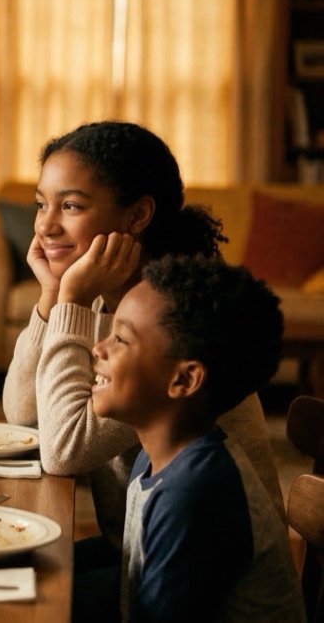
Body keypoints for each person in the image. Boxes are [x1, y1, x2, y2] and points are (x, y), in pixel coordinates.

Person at [0, 121, 282, 619]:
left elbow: (62, 451)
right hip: (136, 543)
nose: (44, 225)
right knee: (0, 569)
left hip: (186, 550)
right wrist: (52, 299)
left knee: (17, 603)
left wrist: (74, 298)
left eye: (70, 205)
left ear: (137, 216)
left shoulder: (161, 329)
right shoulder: (108, 301)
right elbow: (25, 418)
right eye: (42, 203)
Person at [90, 254, 302, 622]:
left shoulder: (194, 491)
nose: (99, 348)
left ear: (185, 380)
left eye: (121, 339)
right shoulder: (158, 458)